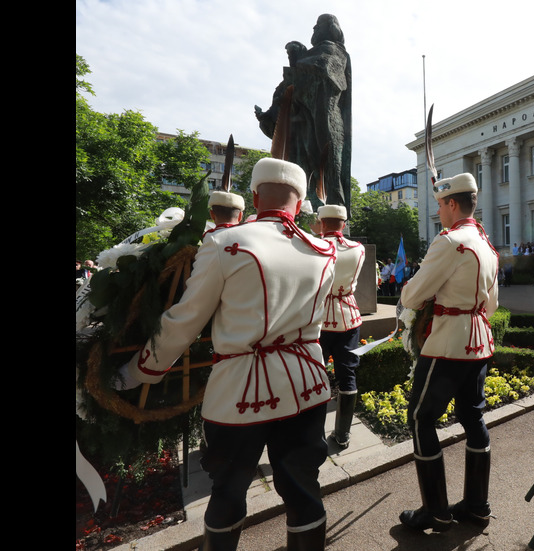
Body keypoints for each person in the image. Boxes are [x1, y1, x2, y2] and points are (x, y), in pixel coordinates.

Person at [117, 158, 337, 550]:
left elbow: (184, 320)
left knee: (228, 492)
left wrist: (136, 372)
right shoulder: (324, 249)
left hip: (240, 393)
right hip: (308, 384)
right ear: (301, 200)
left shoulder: (224, 243)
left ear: (253, 195)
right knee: (304, 490)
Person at [398, 172, 499, 532]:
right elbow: (493, 303)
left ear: (452, 204)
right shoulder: (486, 242)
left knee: (421, 419)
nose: (438, 211)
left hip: (447, 345)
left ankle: (436, 512)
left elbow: (411, 296)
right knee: (473, 418)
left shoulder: (449, 242)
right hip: (479, 341)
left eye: (440, 204)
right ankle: (477, 505)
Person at [255, 14, 352, 214]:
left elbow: (326, 70)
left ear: (330, 28)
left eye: (317, 26)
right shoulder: (312, 53)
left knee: (326, 164)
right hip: (302, 122)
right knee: (298, 164)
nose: (314, 30)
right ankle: (300, 208)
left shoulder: (335, 50)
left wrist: (299, 61)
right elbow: (287, 90)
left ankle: (331, 211)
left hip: (324, 119)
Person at [316, 203, 366, 451]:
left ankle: (313, 434)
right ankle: (343, 435)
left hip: (318, 318)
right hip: (348, 316)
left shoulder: (312, 245)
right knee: (348, 375)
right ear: (344, 224)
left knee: (315, 375)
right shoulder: (358, 248)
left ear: (321, 222)